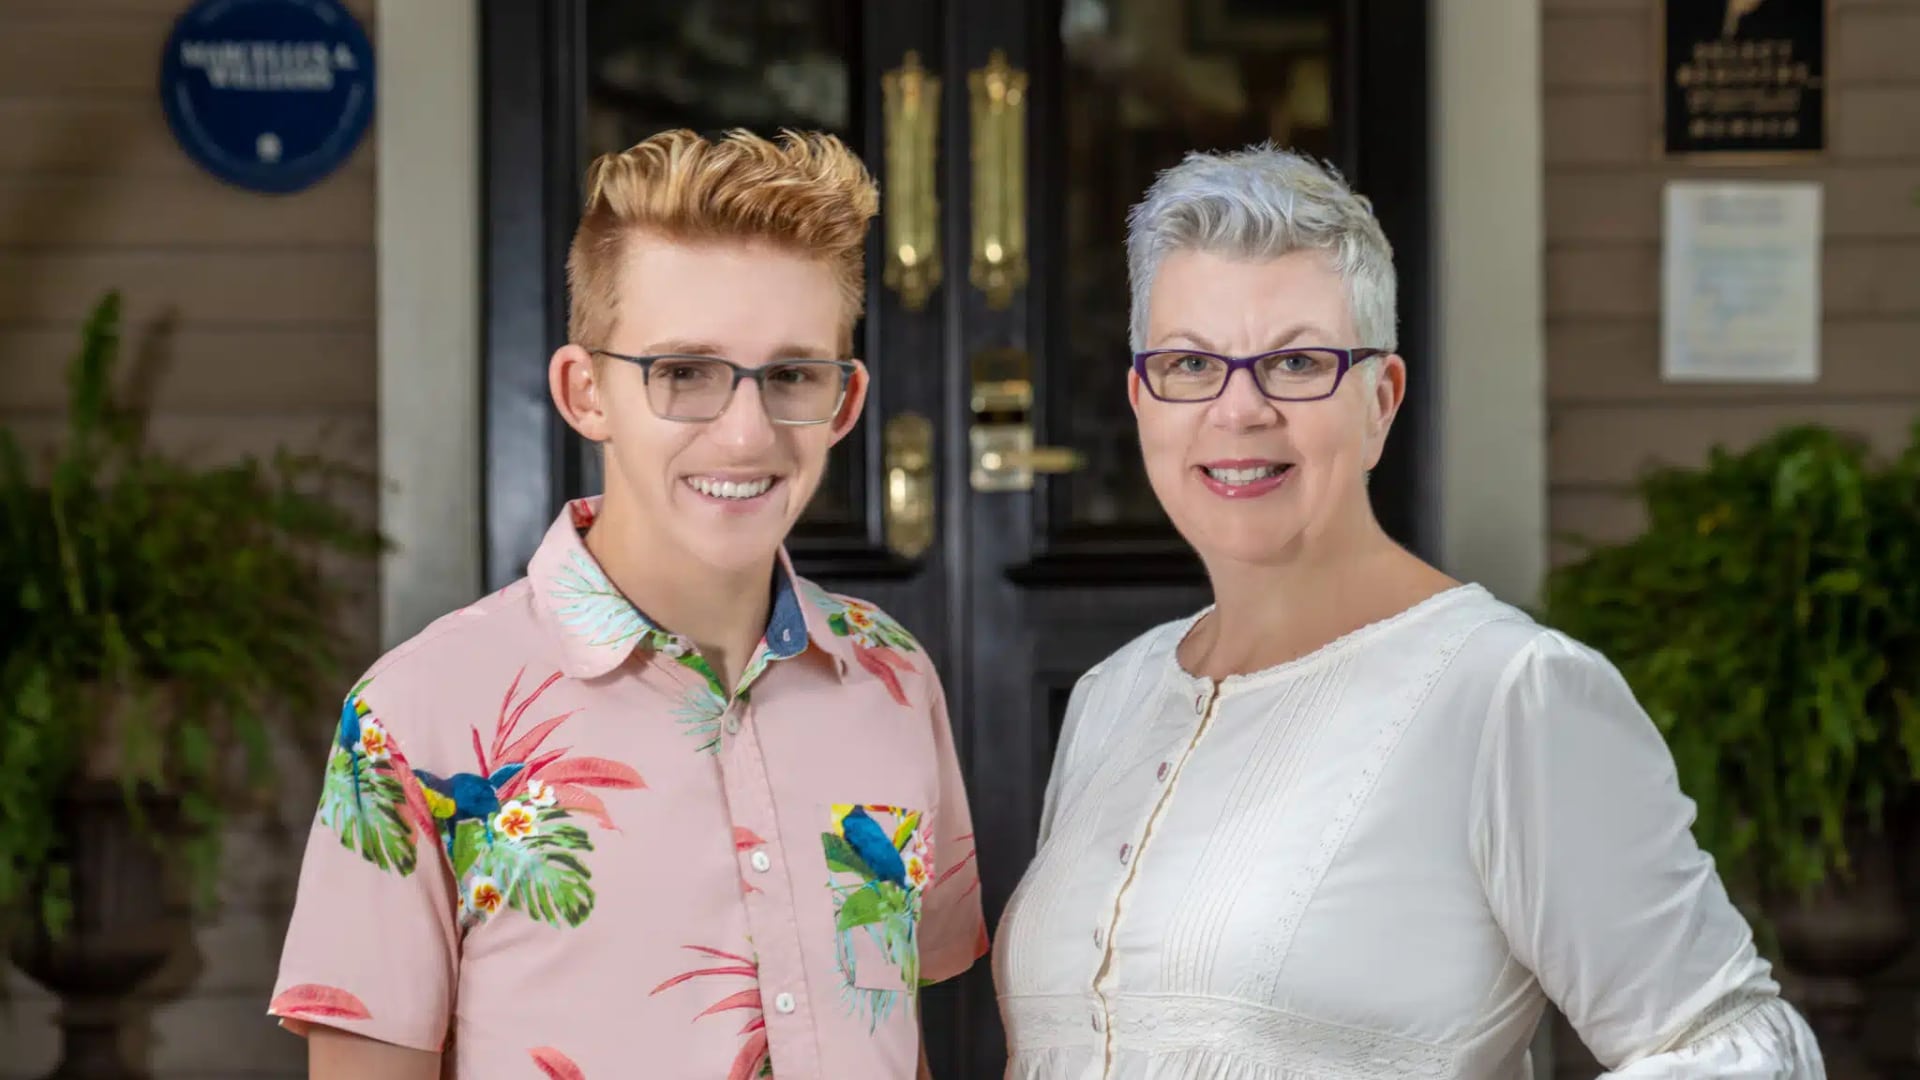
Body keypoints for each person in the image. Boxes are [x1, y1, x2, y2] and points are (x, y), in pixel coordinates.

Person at [991, 145, 1823, 1079]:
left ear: (1380, 400)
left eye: (1297, 362)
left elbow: (1740, 1049)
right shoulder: (1116, 695)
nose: (1240, 410)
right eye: (1192, 363)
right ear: (1144, 397)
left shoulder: (1509, 694)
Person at [269, 129, 987, 1079]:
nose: (745, 432)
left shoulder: (892, 678)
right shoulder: (418, 712)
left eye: (791, 376)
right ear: (586, 392)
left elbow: (893, 1024)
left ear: (844, 402)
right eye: (684, 373)